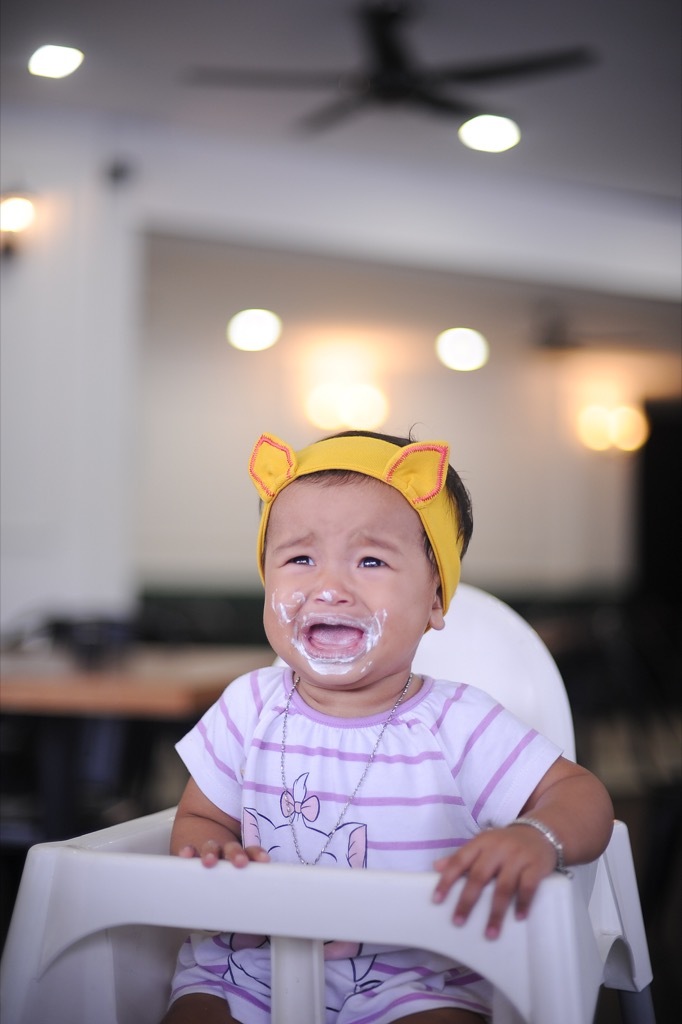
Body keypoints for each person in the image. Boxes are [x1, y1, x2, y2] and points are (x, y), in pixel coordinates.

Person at [160, 429, 614, 1024]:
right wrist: (207, 853)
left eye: (371, 560)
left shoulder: (458, 722)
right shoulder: (248, 705)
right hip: (247, 963)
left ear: (433, 600)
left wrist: (538, 836)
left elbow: (581, 795)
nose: (329, 587)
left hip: (417, 973)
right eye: (300, 558)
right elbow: (201, 816)